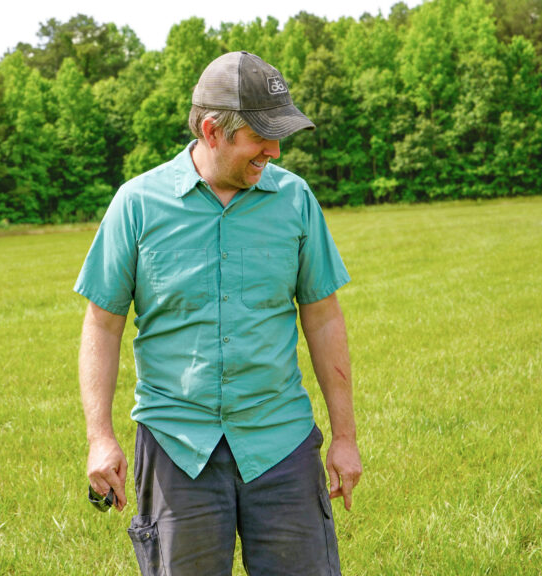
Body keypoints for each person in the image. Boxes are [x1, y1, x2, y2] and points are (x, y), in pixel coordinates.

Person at [75, 50, 361, 576]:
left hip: (281, 443)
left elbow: (323, 318)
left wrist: (344, 437)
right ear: (212, 130)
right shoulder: (136, 205)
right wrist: (100, 437)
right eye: (260, 136)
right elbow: (102, 323)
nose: (274, 150)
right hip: (177, 446)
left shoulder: (296, 201)